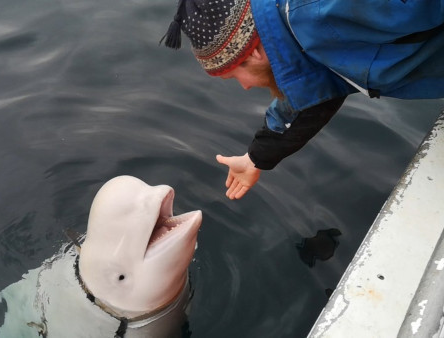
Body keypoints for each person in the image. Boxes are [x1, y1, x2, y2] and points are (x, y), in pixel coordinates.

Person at [161, 0, 444, 200]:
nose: (245, 87)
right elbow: (315, 90)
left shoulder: (324, 9)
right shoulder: (304, 35)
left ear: (253, 54)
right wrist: (255, 158)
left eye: (234, 76)